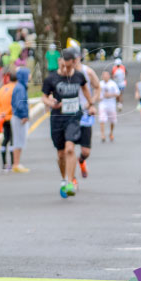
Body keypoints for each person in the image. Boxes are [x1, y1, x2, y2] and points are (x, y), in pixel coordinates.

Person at [41, 48, 94, 198]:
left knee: (70, 149)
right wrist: (50, 101)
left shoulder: (78, 76)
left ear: (73, 63)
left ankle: (71, 182)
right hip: (57, 118)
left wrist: (91, 104)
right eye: (62, 65)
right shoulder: (51, 79)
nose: (65, 69)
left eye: (68, 66)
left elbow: (85, 88)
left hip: (73, 117)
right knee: (61, 153)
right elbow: (44, 97)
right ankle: (64, 179)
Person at [73, 50, 99, 179]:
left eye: (75, 57)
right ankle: (71, 180)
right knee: (69, 148)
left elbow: (97, 87)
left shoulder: (87, 72)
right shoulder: (65, 73)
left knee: (85, 151)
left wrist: (92, 103)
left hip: (85, 112)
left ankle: (82, 161)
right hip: (70, 114)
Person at [9, 67, 30, 173]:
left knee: (19, 140)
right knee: (18, 140)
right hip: (19, 117)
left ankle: (16, 163)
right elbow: (19, 104)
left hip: (17, 116)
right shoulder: (20, 88)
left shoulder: (20, 87)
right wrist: (24, 115)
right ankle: (16, 164)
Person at [0, 72, 16, 172]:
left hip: (3, 118)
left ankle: (4, 163)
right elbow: (14, 103)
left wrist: (1, 114)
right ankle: (13, 163)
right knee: (12, 140)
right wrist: (7, 112)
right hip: (12, 117)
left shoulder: (2, 89)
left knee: (5, 139)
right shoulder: (15, 89)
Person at [98, 70, 120, 143]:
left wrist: (110, 95)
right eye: (104, 75)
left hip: (111, 104)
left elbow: (117, 93)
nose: (105, 76)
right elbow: (97, 93)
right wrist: (98, 97)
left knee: (112, 121)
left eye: (106, 75)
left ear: (109, 76)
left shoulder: (113, 84)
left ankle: (111, 133)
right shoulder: (100, 84)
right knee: (102, 119)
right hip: (102, 103)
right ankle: (103, 135)